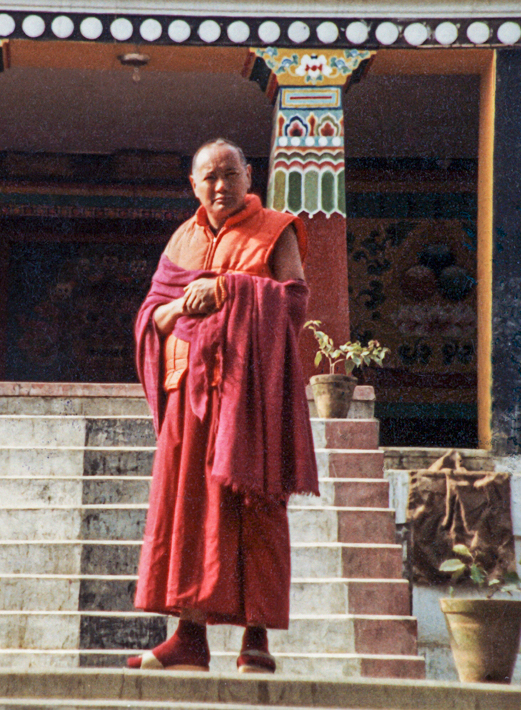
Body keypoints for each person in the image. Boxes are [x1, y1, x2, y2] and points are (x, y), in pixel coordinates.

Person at [130, 138, 319, 674]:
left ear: (247, 175)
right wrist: (163, 317)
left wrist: (230, 291)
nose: (219, 186)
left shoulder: (275, 229)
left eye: (229, 174)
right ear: (193, 185)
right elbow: (153, 307)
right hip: (186, 394)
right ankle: (189, 638)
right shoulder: (182, 238)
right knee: (187, 513)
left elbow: (294, 302)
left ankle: (255, 640)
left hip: (248, 394)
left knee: (254, 507)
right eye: (208, 177)